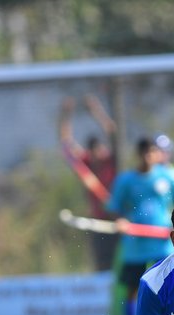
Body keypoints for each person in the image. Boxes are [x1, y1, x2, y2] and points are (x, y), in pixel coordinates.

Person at [107, 138, 174, 315]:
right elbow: (114, 207)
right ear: (139, 154)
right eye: (145, 153)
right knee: (133, 289)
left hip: (162, 244)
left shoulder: (168, 177)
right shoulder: (126, 180)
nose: (149, 157)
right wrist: (121, 221)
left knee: (167, 288)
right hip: (135, 245)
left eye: (153, 152)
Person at [59, 94, 118, 271]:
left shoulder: (111, 160)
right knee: (102, 264)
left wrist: (96, 111)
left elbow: (113, 133)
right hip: (97, 222)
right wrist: (66, 115)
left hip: (118, 218)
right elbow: (66, 144)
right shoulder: (86, 164)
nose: (97, 156)